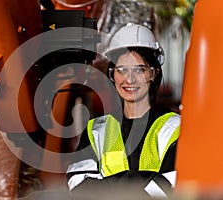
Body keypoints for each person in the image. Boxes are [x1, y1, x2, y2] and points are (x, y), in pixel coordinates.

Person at [66, 23, 181, 199]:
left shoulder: (175, 128)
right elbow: (78, 185)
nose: (129, 79)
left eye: (139, 70)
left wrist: (108, 186)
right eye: (122, 70)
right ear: (112, 75)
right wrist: (140, 180)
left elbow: (172, 185)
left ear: (154, 73)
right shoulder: (95, 130)